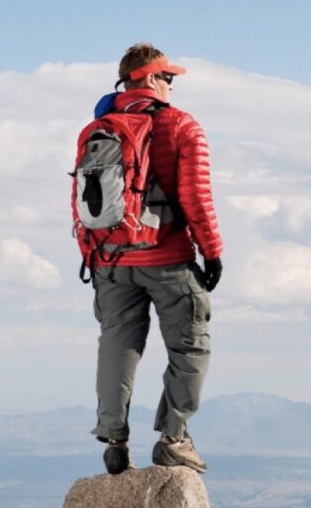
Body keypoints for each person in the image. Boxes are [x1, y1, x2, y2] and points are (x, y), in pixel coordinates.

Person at [88, 42, 223, 475]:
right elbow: (196, 197)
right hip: (166, 258)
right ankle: (174, 437)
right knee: (190, 346)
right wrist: (212, 252)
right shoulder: (181, 125)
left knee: (117, 346)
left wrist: (95, 257)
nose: (170, 85)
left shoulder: (98, 129)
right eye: (167, 78)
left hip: (109, 261)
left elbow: (85, 206)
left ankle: (113, 440)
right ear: (149, 78)